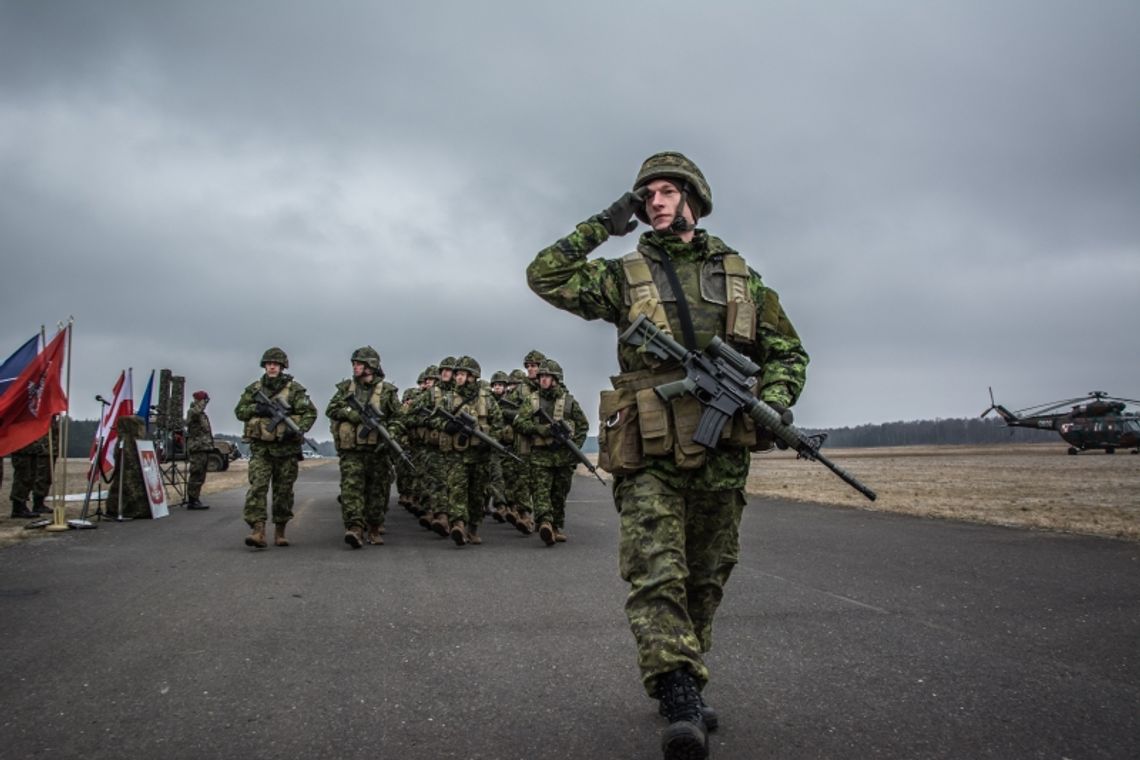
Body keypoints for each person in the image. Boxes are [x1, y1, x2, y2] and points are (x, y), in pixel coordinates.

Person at [527, 151, 809, 759]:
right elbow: (545, 275)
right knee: (657, 570)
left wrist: (776, 400)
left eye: (664, 192)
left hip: (723, 451)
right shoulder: (622, 276)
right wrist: (605, 221)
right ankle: (679, 690)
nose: (653, 201)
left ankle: (685, 666)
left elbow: (788, 350)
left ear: (693, 200)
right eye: (645, 194)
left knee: (707, 577)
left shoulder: (742, 278)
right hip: (649, 448)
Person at [234, 347, 317, 549]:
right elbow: (240, 411)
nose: (272, 367)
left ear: (282, 367)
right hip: (261, 449)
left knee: (283, 492)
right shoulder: (254, 389)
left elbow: (310, 412)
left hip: (286, 450)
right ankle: (258, 530)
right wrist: (257, 408)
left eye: (276, 364)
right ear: (264, 366)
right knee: (257, 489)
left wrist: (297, 429)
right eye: (269, 364)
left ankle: (280, 530)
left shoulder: (294, 389)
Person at [325, 346, 403, 548]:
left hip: (377, 452)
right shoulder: (346, 388)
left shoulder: (387, 392)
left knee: (377, 492)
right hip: (352, 452)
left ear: (371, 366)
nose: (355, 367)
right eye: (354, 363)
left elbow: (398, 418)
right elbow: (331, 409)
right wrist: (352, 414)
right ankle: (354, 528)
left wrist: (391, 434)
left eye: (359, 363)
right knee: (351, 490)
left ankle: (375, 527)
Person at [510, 359, 589, 546]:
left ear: (556, 379)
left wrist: (574, 449)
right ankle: (544, 522)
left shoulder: (569, 402)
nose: (543, 380)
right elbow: (519, 422)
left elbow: (583, 426)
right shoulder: (532, 400)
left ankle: (556, 526)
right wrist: (541, 429)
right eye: (541, 377)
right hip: (540, 455)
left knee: (559, 493)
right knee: (541, 492)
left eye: (547, 376)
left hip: (563, 456)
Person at [9, 416, 60, 518]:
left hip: (32, 448)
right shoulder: (22, 411)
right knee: (23, 477)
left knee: (30, 477)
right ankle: (18, 507)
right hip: (23, 448)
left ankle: (31, 505)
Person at [185, 390, 214, 510]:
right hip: (197, 448)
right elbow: (196, 412)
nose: (206, 403)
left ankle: (195, 498)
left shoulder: (202, 414)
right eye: (204, 400)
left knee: (201, 475)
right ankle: (192, 500)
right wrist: (201, 402)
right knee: (196, 474)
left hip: (203, 448)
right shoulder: (193, 411)